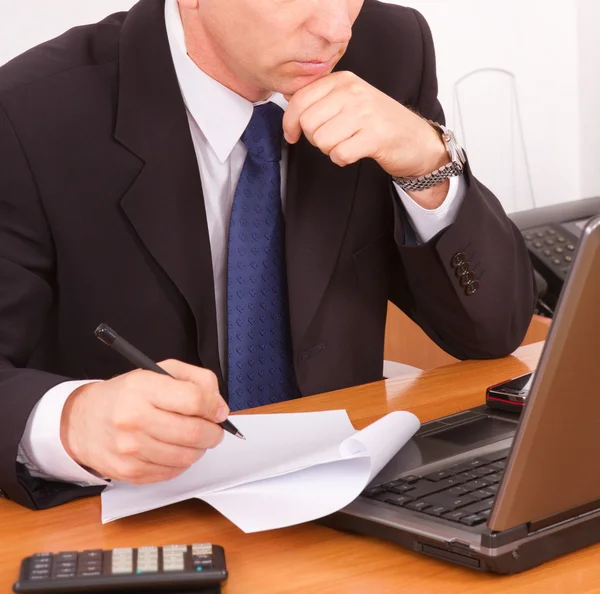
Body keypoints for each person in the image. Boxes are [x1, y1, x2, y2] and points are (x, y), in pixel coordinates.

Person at [0, 0, 537, 511]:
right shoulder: (30, 112)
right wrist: (69, 422)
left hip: (347, 498)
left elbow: (491, 329)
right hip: (136, 521)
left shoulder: (387, 49)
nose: (336, 29)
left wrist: (425, 160)